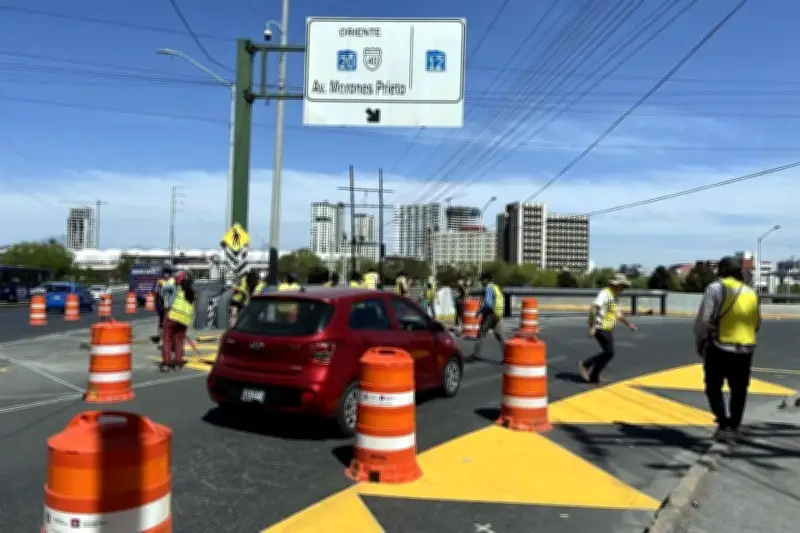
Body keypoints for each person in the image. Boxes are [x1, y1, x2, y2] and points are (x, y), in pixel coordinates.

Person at [694, 256, 761, 441]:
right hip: (745, 348)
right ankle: (735, 426)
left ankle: (723, 425)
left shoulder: (716, 288)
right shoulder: (751, 292)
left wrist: (700, 341)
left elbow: (704, 320)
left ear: (721, 271)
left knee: (713, 386)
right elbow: (756, 322)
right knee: (739, 389)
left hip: (720, 346)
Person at [579, 273, 638, 384]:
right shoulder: (605, 293)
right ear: (617, 284)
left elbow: (619, 315)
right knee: (609, 353)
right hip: (599, 327)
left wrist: (629, 324)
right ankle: (585, 365)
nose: (624, 289)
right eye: (623, 286)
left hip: (608, 329)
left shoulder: (615, 297)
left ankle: (593, 376)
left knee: (608, 353)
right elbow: (593, 308)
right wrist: (592, 327)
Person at [161, 271, 196, 372]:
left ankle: (166, 365)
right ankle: (177, 364)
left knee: (167, 340)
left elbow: (164, 290)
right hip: (184, 320)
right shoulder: (193, 294)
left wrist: (171, 280)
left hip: (172, 316)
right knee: (179, 342)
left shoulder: (176, 288)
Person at [469, 272, 505, 360]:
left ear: (486, 280)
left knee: (481, 334)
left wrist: (479, 312)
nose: (481, 282)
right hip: (498, 314)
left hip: (490, 314)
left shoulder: (488, 289)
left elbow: (488, 304)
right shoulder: (496, 287)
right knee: (500, 337)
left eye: (482, 280)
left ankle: (475, 355)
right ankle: (507, 356)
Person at [151, 268, 174, 346]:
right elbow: (156, 293)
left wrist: (156, 304)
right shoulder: (171, 282)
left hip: (163, 305)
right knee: (164, 323)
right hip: (165, 306)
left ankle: (163, 340)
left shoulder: (160, 282)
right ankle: (164, 340)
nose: (166, 275)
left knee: (163, 323)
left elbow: (155, 293)